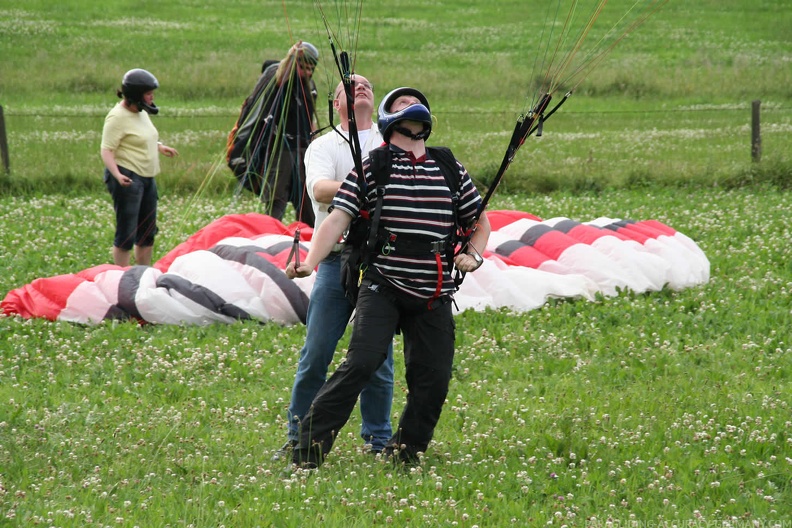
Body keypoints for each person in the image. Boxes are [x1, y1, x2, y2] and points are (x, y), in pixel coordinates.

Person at [285, 87, 491, 469]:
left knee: (433, 379)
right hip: (383, 282)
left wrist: (472, 255)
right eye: (399, 103)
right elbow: (336, 219)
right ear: (388, 118)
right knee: (361, 362)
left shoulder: (448, 165)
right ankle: (307, 449)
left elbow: (479, 223)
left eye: (416, 103)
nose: (409, 105)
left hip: (434, 287)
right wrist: (311, 261)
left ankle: (404, 453)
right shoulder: (373, 166)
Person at [273, 75, 395, 461]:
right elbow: (320, 190)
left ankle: (378, 441)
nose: (360, 88)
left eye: (366, 85)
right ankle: (299, 437)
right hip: (333, 259)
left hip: (380, 263)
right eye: (349, 86)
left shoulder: (388, 141)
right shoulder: (323, 145)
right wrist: (369, 186)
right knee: (317, 352)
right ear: (335, 102)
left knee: (378, 358)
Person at [227, 41, 319, 227]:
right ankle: (271, 241)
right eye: (303, 67)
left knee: (307, 205)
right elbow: (280, 78)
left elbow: (311, 117)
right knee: (276, 203)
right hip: (280, 152)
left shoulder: (309, 86)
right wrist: (291, 56)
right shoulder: (278, 77)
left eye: (311, 69)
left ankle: (309, 245)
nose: (307, 73)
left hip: (303, 151)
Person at [101, 68, 178, 267]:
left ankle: (143, 273)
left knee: (147, 231)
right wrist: (117, 175)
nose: (152, 97)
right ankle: (122, 276)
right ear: (136, 95)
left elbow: (143, 135)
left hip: (147, 177)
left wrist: (160, 146)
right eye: (148, 93)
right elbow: (107, 150)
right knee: (127, 232)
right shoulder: (117, 117)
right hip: (127, 177)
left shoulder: (141, 112)